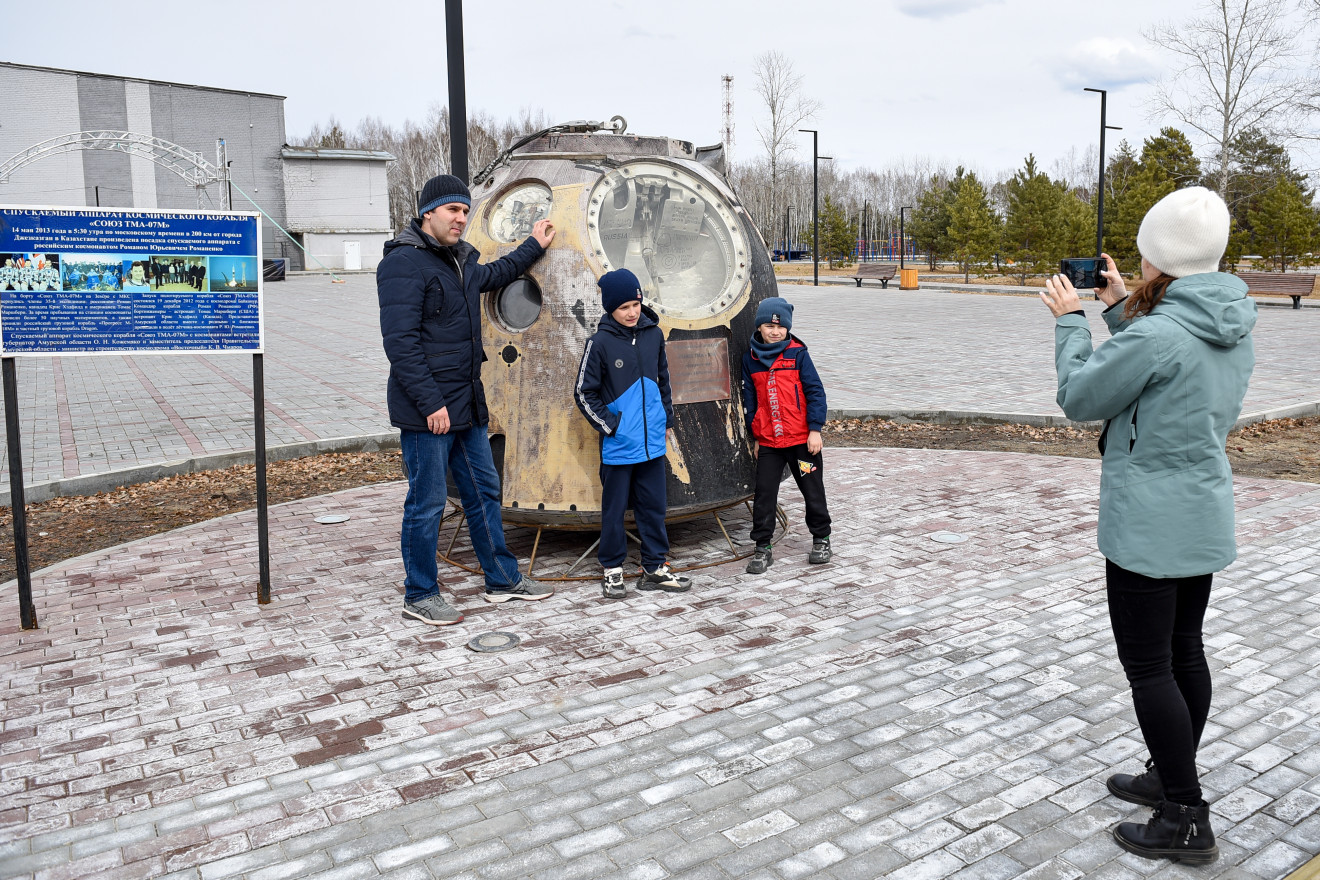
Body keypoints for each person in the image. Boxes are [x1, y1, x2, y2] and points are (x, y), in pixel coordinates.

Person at [1039, 187, 1255, 866]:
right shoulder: (1229, 319)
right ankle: (1171, 773)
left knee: (1150, 667)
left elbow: (1082, 396)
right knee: (1185, 650)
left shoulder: (1162, 332)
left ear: (1161, 258)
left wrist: (1073, 322)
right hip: (1199, 508)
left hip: (1147, 523)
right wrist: (1114, 306)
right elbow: (1163, 366)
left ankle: (1185, 815)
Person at [378, 173, 555, 626]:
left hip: (467, 406)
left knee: (484, 492)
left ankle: (501, 579)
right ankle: (419, 594)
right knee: (428, 503)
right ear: (427, 213)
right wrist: (430, 403)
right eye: (453, 210)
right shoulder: (403, 264)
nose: (461, 218)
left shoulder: (460, 261)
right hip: (429, 412)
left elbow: (499, 273)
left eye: (465, 210)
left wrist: (533, 245)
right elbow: (401, 344)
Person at [574, 268, 691, 600]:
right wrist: (613, 426)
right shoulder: (599, 343)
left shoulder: (654, 335)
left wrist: (665, 418)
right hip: (619, 446)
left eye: (635, 304)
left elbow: (664, 380)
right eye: (624, 306)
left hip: (653, 444)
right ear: (611, 307)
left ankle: (654, 567)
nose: (632, 312)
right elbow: (584, 393)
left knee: (654, 507)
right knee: (614, 511)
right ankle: (612, 569)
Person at [739, 296, 832, 575]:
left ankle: (821, 538)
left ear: (787, 328)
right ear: (760, 327)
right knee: (765, 494)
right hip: (770, 442)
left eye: (780, 327)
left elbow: (815, 392)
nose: (775, 331)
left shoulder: (798, 355)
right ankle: (762, 546)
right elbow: (750, 401)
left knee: (812, 491)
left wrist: (815, 430)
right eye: (769, 326)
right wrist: (756, 435)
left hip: (803, 442)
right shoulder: (750, 359)